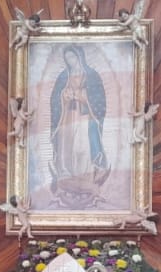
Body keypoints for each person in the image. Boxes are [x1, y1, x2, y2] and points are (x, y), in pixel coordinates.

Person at [49, 45, 109, 207]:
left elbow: (99, 99)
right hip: (67, 117)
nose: (71, 61)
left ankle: (85, 176)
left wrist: (82, 96)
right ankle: (66, 175)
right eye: (67, 59)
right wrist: (64, 96)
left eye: (73, 57)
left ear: (80, 57)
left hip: (84, 117)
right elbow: (55, 98)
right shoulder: (63, 76)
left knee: (82, 147)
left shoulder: (92, 76)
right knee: (67, 146)